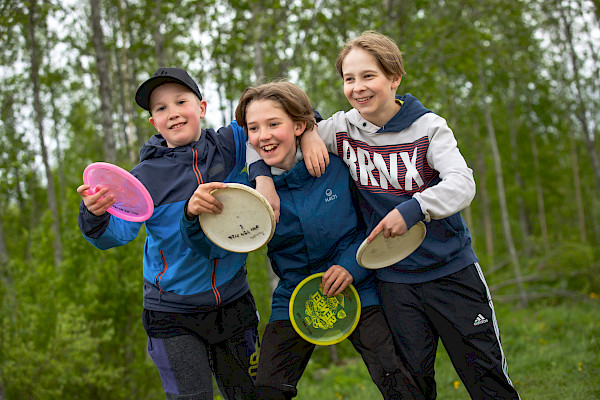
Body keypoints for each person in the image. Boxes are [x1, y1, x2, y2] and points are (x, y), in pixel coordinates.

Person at [249, 32, 521, 400]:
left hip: (451, 270)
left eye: (368, 76)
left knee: (485, 376)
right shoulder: (340, 129)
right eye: (349, 79)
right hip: (393, 279)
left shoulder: (429, 127)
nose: (358, 87)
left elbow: (462, 183)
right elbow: (266, 138)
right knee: (414, 384)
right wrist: (296, 146)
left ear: (394, 78)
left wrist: (414, 209)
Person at [187, 80, 421, 400]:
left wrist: (351, 266)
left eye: (273, 124)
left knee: (395, 376)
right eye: (253, 129)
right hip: (294, 295)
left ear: (299, 125)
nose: (263, 135)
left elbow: (374, 221)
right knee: (268, 390)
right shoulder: (246, 191)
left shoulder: (337, 163)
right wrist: (192, 217)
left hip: (357, 284)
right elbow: (213, 247)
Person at [77, 67, 260, 400]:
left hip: (234, 302)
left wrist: (306, 133)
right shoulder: (143, 177)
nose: (173, 112)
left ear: (201, 107)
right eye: (161, 108)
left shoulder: (231, 144)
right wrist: (94, 214)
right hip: (173, 313)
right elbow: (116, 235)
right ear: (154, 123)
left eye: (180, 101)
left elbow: (276, 115)